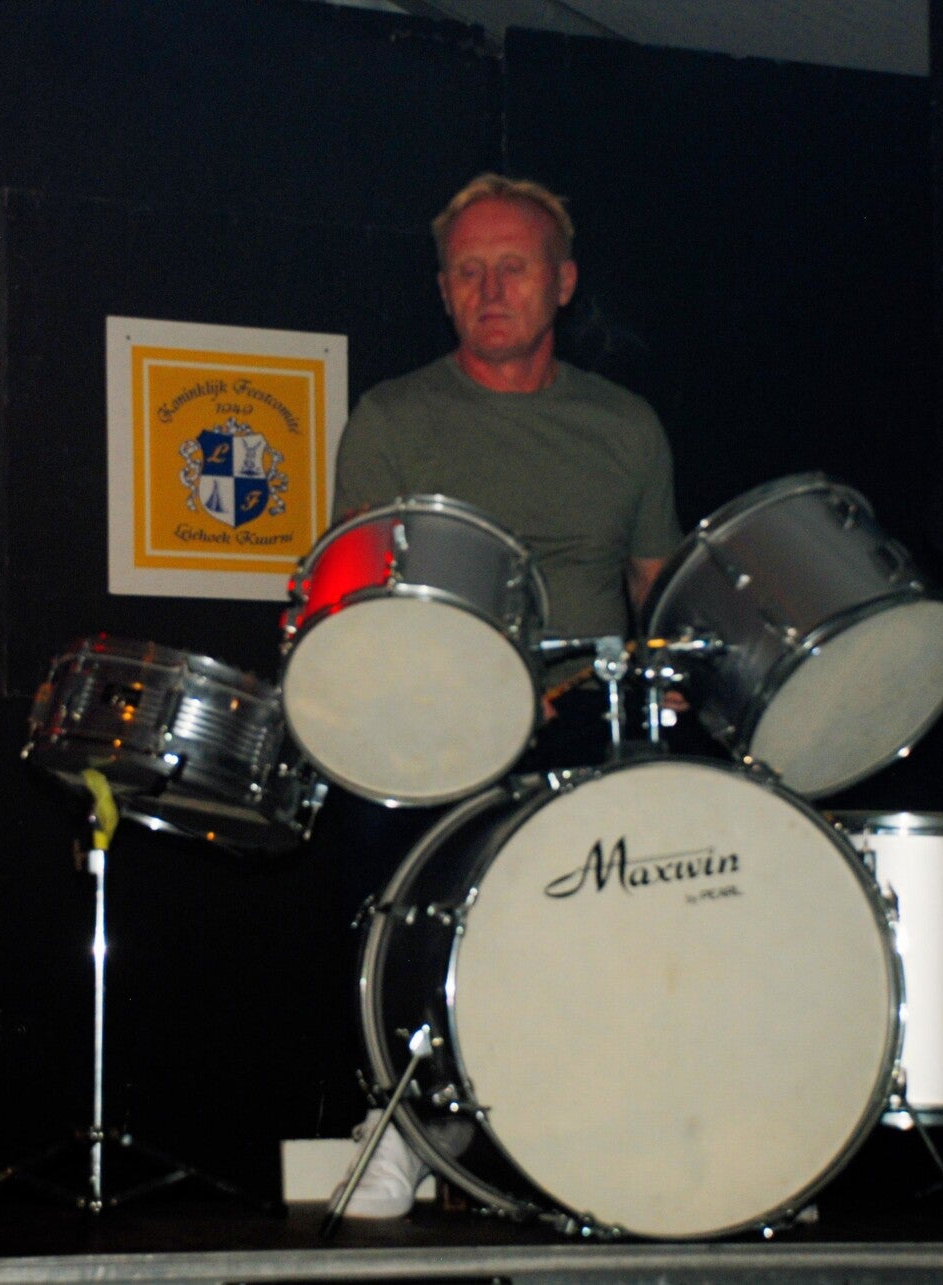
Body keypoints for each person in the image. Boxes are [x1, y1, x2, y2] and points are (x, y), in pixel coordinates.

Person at [322, 174, 685, 1218]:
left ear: (561, 283)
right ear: (443, 291)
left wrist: (664, 690)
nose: (490, 290)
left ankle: (638, 1119)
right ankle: (410, 1117)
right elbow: (352, 596)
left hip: (585, 716)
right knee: (382, 835)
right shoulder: (393, 417)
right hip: (439, 716)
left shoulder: (625, 426)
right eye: (468, 271)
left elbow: (659, 596)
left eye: (512, 267)